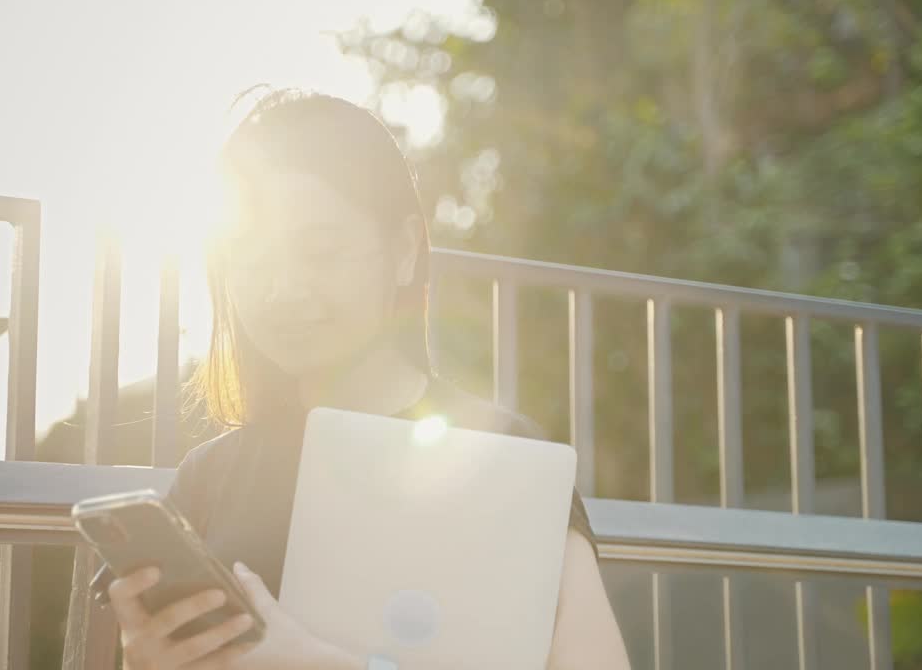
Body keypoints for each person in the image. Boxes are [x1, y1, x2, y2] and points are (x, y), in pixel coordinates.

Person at [102, 88, 631, 669]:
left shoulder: (508, 456)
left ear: (403, 250)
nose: (282, 290)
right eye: (251, 259)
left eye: (320, 251)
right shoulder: (208, 478)